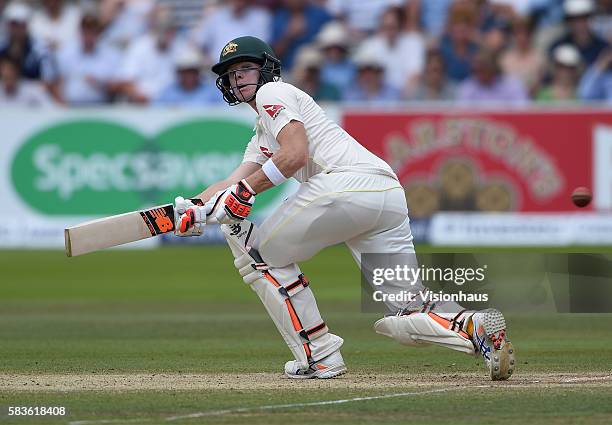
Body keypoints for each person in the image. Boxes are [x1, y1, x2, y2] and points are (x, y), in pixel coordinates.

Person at [172, 35, 515, 380]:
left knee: (259, 255)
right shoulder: (262, 133)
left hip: (344, 186)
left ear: (267, 69)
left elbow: (294, 156)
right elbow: (231, 182)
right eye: (232, 73)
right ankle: (475, 326)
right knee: (407, 310)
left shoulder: (271, 93)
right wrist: (192, 208)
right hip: (386, 193)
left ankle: (320, 354)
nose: (238, 78)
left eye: (246, 68)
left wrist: (242, 195)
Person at [55, 14, 120, 105]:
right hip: (71, 106)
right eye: (85, 32)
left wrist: (100, 83)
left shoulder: (111, 55)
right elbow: (58, 83)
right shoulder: (66, 53)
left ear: (98, 33)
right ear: (79, 32)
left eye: (92, 32)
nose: (88, 37)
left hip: (102, 106)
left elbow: (118, 86)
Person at [270, 0, 332, 71]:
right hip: (288, 71)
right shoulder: (278, 18)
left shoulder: (320, 15)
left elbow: (333, 45)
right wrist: (289, 36)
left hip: (318, 69)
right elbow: (274, 55)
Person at [155, 46, 221, 106]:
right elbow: (155, 112)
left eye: (192, 71)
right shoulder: (168, 93)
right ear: (179, 73)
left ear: (198, 72)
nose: (189, 76)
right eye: (185, 72)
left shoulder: (211, 92)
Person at [457, 48, 528, 104]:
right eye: (475, 70)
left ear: (493, 68)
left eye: (482, 69)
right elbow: (462, 113)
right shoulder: (468, 87)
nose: (478, 74)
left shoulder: (512, 85)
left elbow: (523, 112)